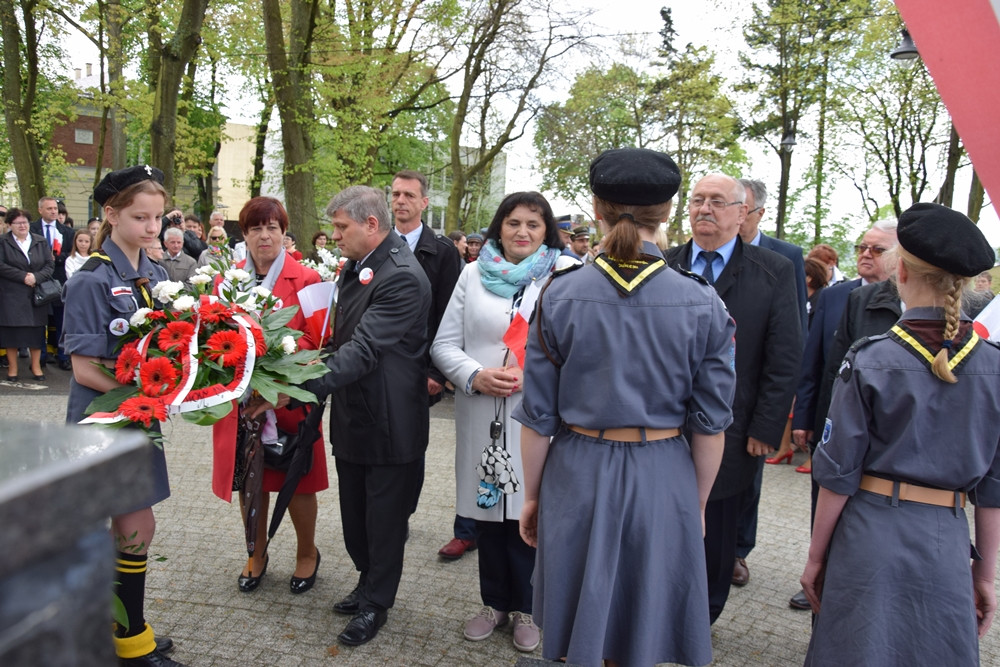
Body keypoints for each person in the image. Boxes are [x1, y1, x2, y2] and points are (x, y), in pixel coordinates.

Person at [515, 148, 736, 667]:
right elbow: (710, 423)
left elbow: (538, 416)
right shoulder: (702, 300)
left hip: (579, 470)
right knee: (642, 626)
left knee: (582, 627)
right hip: (663, 475)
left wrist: (531, 496)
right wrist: (696, 503)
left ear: (597, 208)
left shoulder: (560, 295)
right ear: (669, 212)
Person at [801, 202, 1000, 665]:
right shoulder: (994, 366)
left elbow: (837, 472)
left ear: (901, 272)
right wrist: (986, 573)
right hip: (946, 538)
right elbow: (993, 489)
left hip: (871, 531)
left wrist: (815, 557)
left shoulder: (870, 358)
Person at [431, 191, 568, 652]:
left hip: (536, 418)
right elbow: (444, 344)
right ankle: (495, 603)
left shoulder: (564, 276)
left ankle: (531, 607)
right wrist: (474, 374)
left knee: (531, 514)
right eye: (513, 223)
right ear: (498, 227)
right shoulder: (473, 274)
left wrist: (536, 375)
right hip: (481, 416)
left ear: (547, 230)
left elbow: (580, 348)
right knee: (488, 513)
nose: (522, 232)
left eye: (533, 223)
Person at [665, 173, 801, 623]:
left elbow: (784, 357)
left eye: (717, 202)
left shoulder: (773, 271)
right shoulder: (663, 265)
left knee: (716, 529)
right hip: (660, 424)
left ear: (742, 213)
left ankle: (702, 617)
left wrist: (766, 427)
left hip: (732, 429)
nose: (705, 209)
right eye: (698, 200)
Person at [61, 165, 184, 666]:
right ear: (110, 215)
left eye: (157, 217)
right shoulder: (91, 279)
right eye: (140, 217)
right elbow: (84, 368)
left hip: (139, 417)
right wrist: (144, 397)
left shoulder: (153, 274)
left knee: (134, 528)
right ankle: (126, 640)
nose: (152, 227)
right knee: (131, 528)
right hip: (104, 420)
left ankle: (123, 628)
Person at [303, 185, 431, 647]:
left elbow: (363, 350)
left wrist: (297, 386)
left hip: (390, 420)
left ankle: (378, 601)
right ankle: (366, 580)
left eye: (341, 227)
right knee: (356, 516)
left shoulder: (400, 275)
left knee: (384, 520)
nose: (334, 236)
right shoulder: (360, 267)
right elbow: (340, 341)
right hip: (356, 413)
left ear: (371, 225)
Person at [209, 197, 328, 596]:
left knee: (297, 480)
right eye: (256, 228)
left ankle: (307, 552)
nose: (265, 235)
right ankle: (255, 552)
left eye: (272, 227)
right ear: (243, 235)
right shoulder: (226, 282)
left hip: (288, 397)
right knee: (250, 479)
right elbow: (212, 337)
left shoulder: (308, 280)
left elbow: (317, 340)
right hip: (241, 400)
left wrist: (278, 379)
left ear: (284, 233)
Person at [786, 220, 898, 611]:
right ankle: (821, 578)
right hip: (833, 427)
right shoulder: (839, 298)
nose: (865, 254)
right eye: (862, 247)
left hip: (883, 441)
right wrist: (805, 417)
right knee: (826, 505)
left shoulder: (911, 305)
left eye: (877, 249)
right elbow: (818, 362)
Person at [731, 177, 808, 589]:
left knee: (749, 474)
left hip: (755, 389)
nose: (736, 217)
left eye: (743, 210)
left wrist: (773, 409)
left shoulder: (784, 256)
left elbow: (794, 333)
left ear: (757, 213)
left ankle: (739, 550)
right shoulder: (695, 254)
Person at [387, 170, 467, 557]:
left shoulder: (443, 251)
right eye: (395, 194)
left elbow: (451, 314)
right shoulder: (379, 244)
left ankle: (401, 513)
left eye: (408, 195)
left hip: (419, 371)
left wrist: (438, 373)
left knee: (410, 444)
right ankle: (383, 511)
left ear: (424, 203)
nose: (400, 201)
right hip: (380, 365)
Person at [0, 207, 54, 382]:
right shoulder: (3, 242)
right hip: (12, 294)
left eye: (24, 222)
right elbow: (1, 266)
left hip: (36, 294)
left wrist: (36, 277)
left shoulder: (40, 241)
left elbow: (48, 265)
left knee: (36, 333)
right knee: (12, 334)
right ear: (9, 225)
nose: (22, 226)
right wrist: (23, 276)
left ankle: (36, 367)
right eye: (17, 223)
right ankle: (13, 369)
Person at [31, 196, 73, 371]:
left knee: (61, 321)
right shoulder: (32, 229)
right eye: (49, 209)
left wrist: (58, 258)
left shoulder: (67, 231)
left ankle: (63, 356)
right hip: (38, 280)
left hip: (59, 281)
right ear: (40, 210)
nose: (54, 211)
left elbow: (72, 253)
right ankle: (40, 356)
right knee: (40, 322)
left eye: (55, 208)